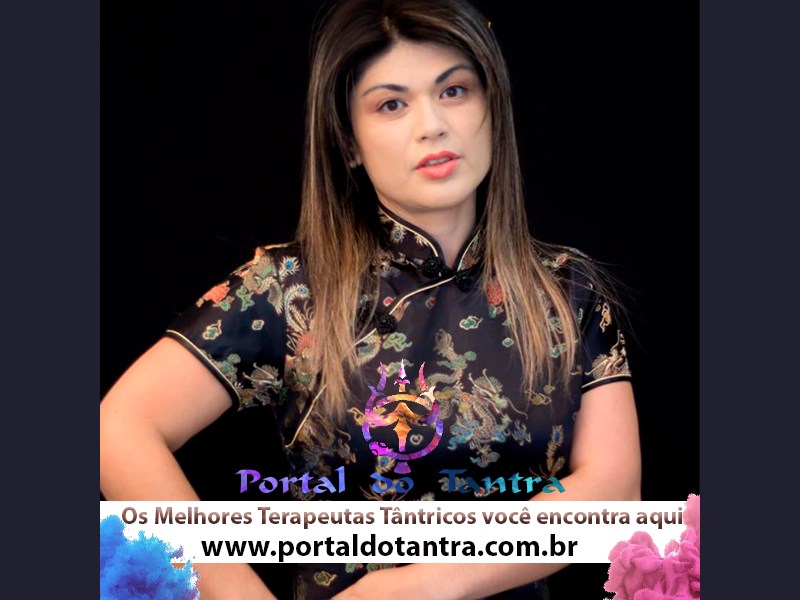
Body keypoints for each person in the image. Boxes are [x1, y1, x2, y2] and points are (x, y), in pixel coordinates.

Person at [100, 0, 641, 598]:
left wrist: (422, 587)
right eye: (391, 104)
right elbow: (117, 429)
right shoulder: (290, 288)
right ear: (349, 142)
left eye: (454, 91)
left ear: (493, 108)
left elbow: (613, 491)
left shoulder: (564, 290)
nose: (432, 125)